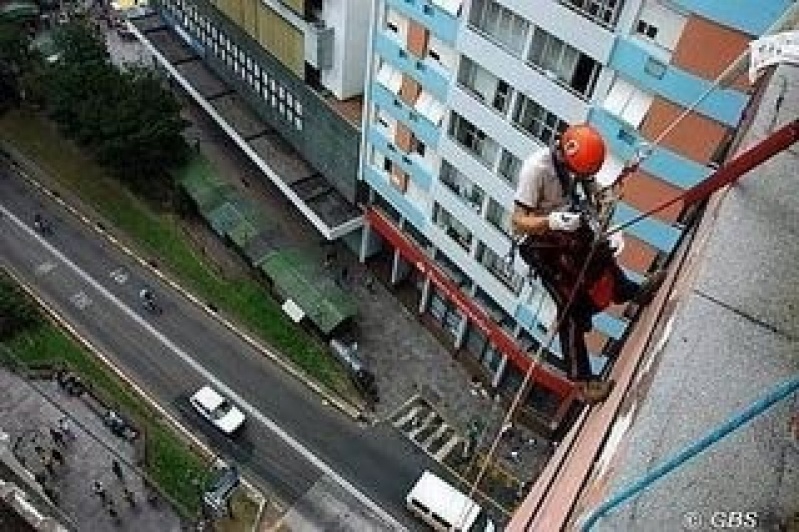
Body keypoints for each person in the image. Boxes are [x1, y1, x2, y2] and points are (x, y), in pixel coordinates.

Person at [512, 124, 665, 404]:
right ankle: (582, 382)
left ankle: (632, 292)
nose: (579, 177)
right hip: (541, 243)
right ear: (563, 155)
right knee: (571, 304)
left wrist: (604, 196)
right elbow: (518, 220)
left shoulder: (575, 163)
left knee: (601, 256)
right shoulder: (537, 169)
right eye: (578, 173)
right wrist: (551, 221)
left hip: (567, 227)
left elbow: (589, 184)